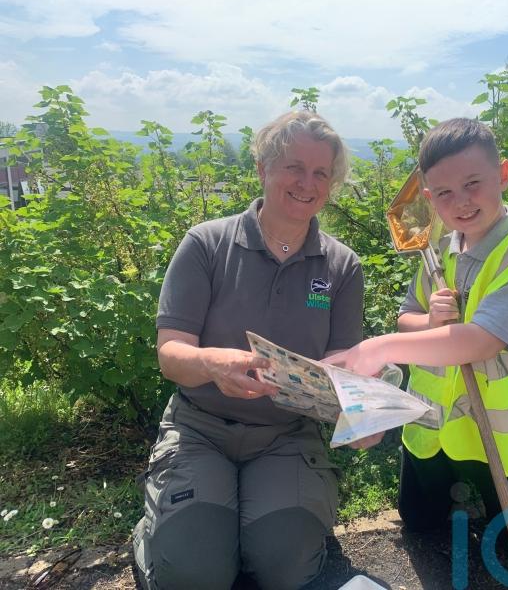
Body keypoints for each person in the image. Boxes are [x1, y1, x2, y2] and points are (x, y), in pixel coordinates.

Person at [133, 111, 373, 590]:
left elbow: (344, 366)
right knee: (194, 573)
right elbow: (170, 354)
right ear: (263, 168)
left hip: (289, 435)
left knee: (286, 568)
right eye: (294, 167)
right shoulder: (206, 244)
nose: (307, 183)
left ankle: (242, 531)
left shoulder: (342, 266)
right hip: (200, 428)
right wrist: (210, 363)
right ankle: (157, 536)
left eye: (321, 172)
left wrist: (363, 415)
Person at [323, 118, 508, 548]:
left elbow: (478, 341)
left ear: (503, 175)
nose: (461, 202)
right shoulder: (435, 250)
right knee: (420, 523)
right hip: (431, 426)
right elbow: (407, 318)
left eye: (473, 183)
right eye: (444, 193)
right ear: (428, 198)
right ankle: (449, 513)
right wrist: (430, 322)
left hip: (497, 437)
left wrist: (377, 348)